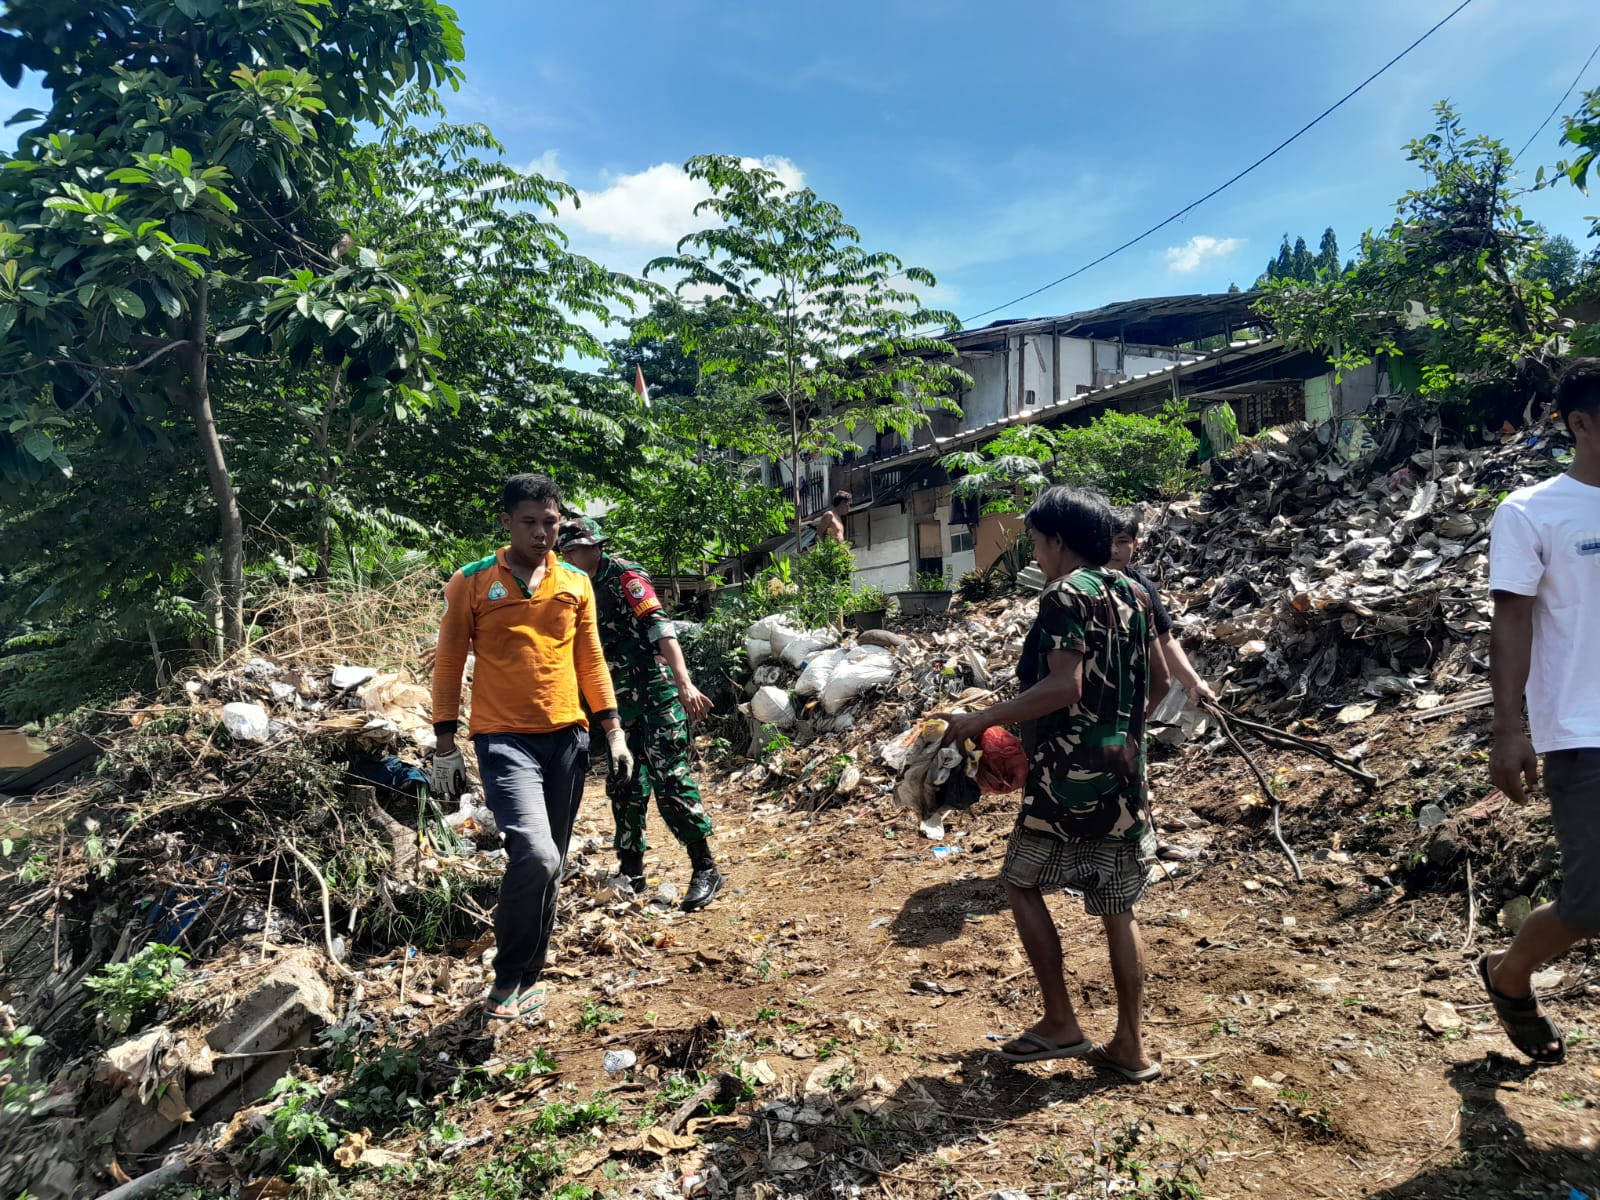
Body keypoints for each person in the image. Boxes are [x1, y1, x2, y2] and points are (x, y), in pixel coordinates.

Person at [937, 486, 1168, 1082]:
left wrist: (982, 717)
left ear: (1058, 540)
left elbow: (1063, 687)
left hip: (1067, 777)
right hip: (1125, 774)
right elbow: (1162, 682)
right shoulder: (1135, 592)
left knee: (1019, 880)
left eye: (1037, 542)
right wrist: (1123, 728)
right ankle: (1130, 1046)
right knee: (1119, 908)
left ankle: (1061, 1021)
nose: (1036, 554)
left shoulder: (1065, 595)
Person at [429, 474, 634, 1024]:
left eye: (551, 523)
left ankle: (529, 975)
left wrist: (611, 727)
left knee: (554, 863)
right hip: (503, 738)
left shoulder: (574, 581)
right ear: (506, 522)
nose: (542, 533)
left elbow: (590, 658)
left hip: (568, 737)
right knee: (536, 854)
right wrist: (443, 741)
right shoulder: (472, 581)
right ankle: (507, 973)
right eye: (529, 522)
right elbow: (448, 661)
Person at [1479, 358, 1600, 1065]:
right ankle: (1510, 973)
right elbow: (1513, 621)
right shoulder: (1532, 511)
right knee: (1592, 905)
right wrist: (1508, 728)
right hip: (1584, 733)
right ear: (1581, 424)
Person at [556, 516, 724, 912]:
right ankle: (631, 868)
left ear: (594, 547)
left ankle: (704, 866)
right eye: (564, 551)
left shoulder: (626, 578)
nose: (569, 557)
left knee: (669, 778)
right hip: (613, 702)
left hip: (656, 694)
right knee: (623, 782)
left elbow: (660, 627)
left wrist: (684, 683)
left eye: (575, 550)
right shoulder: (568, 584)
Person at [1108, 507, 1215, 705]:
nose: (1114, 550)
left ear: (1136, 544)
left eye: (1122, 541)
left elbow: (1164, 639)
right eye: (1108, 542)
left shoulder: (1142, 588)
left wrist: (1194, 684)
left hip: (1126, 694)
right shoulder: (1080, 587)